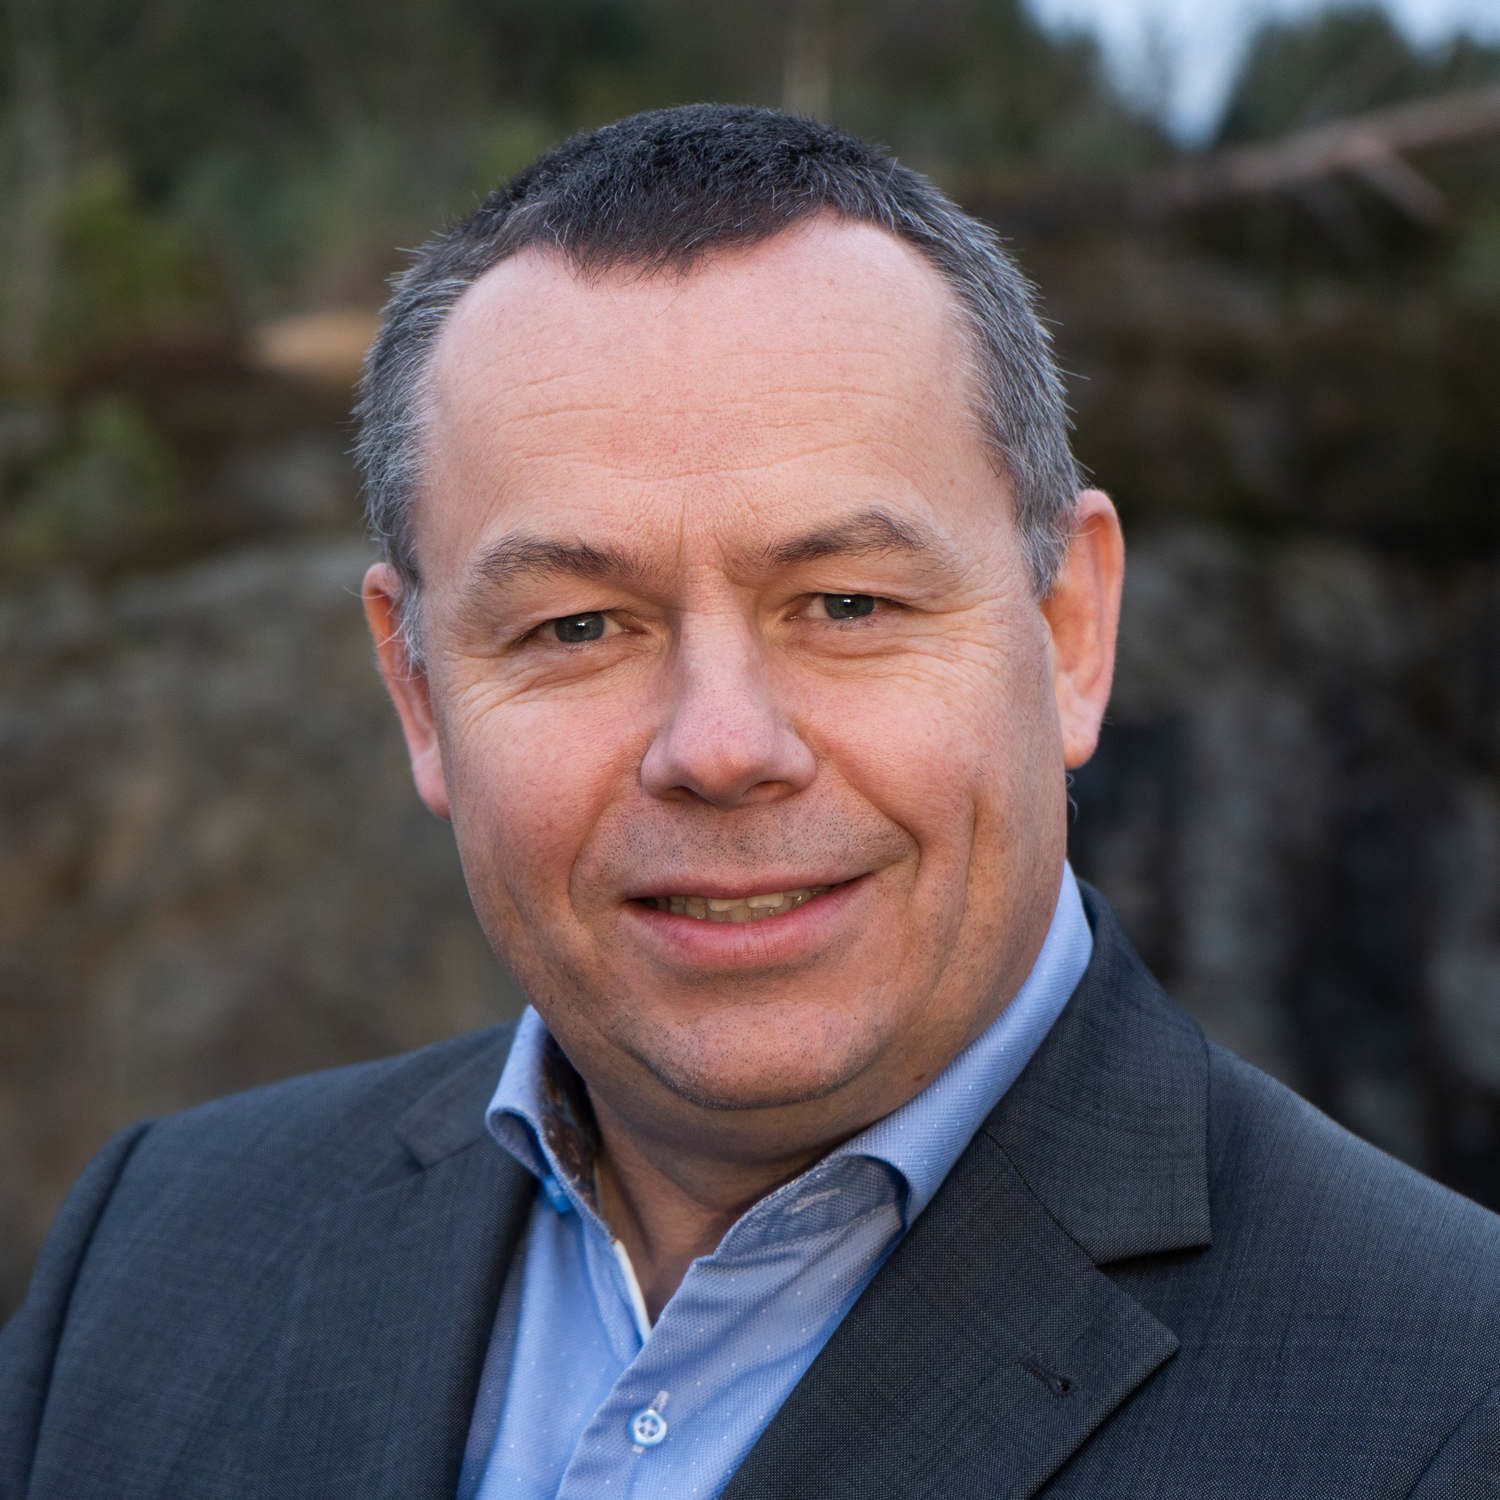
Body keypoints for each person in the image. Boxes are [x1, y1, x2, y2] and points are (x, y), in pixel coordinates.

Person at [2, 103, 1498, 1500]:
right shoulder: (151, 1261)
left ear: (1069, 633)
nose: (721, 747)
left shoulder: (1448, 1400)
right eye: (578, 626)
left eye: (845, 602)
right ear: (418, 691)